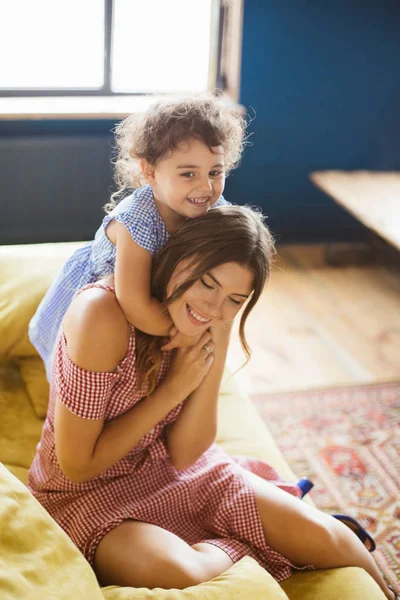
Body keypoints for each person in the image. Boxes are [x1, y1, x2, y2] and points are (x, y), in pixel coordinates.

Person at [28, 206, 396, 599]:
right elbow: (78, 466)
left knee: (326, 535)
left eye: (235, 299)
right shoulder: (102, 314)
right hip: (86, 494)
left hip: (172, 469)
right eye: (206, 282)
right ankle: (254, 546)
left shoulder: (213, 318)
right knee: (180, 571)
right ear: (177, 257)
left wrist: (215, 344)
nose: (213, 308)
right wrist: (173, 389)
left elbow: (186, 454)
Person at [28, 94, 245, 380]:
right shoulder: (136, 220)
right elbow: (135, 305)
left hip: (159, 301)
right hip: (107, 302)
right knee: (80, 365)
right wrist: (184, 332)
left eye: (215, 172)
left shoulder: (214, 208)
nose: (205, 186)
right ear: (150, 171)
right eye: (189, 174)